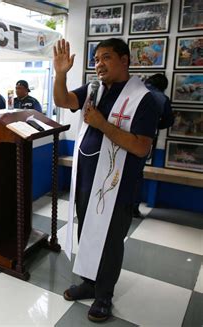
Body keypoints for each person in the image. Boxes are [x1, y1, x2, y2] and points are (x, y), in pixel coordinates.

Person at [53, 38, 158, 322]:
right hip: (87, 177)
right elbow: (62, 100)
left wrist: (101, 124)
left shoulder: (145, 99)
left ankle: (104, 295)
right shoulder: (93, 90)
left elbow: (140, 147)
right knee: (87, 230)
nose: (99, 64)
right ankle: (89, 282)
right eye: (96, 59)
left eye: (106, 58)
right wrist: (60, 73)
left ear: (125, 60)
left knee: (110, 239)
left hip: (118, 184)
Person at [133, 73, 174, 217]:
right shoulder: (162, 99)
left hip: (120, 136)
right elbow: (169, 121)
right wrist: (154, 126)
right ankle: (133, 208)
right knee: (136, 174)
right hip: (143, 141)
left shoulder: (134, 90)